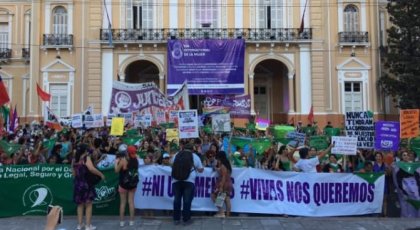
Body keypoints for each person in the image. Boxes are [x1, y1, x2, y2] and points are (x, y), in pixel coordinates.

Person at [72, 144, 105, 230]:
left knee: (80, 205)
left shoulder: (74, 159)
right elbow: (91, 169)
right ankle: (88, 226)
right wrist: (101, 174)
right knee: (88, 204)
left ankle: (79, 225)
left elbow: (73, 174)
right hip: (86, 184)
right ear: (85, 150)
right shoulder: (86, 158)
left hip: (78, 184)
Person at [171, 142, 204, 225]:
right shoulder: (195, 156)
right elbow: (201, 169)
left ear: (183, 148)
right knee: (187, 200)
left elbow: (171, 164)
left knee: (177, 200)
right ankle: (186, 219)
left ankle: (176, 219)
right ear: (192, 150)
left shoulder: (177, 155)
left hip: (176, 180)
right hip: (189, 180)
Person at [115, 145, 139, 227]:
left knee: (123, 203)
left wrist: (116, 163)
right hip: (132, 184)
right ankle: (131, 221)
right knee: (131, 202)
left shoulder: (123, 160)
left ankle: (122, 222)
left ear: (127, 152)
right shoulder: (136, 160)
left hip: (123, 184)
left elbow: (116, 171)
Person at [211, 151, 232, 217]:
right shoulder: (227, 164)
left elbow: (223, 176)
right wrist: (217, 169)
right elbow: (225, 173)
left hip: (223, 183)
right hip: (228, 182)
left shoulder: (222, 165)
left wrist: (221, 186)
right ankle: (228, 214)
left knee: (213, 196)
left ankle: (221, 212)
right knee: (226, 198)